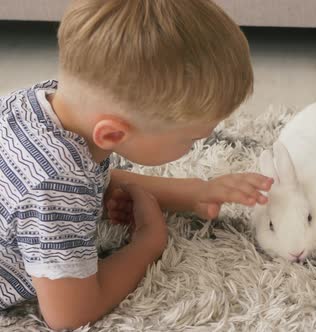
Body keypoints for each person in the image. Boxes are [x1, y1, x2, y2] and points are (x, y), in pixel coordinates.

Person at [0, 0, 273, 329]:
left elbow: (87, 182)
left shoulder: (34, 104)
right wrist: (147, 243)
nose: (198, 143)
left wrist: (195, 192)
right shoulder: (53, 184)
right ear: (113, 134)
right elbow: (70, 313)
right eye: (190, 139)